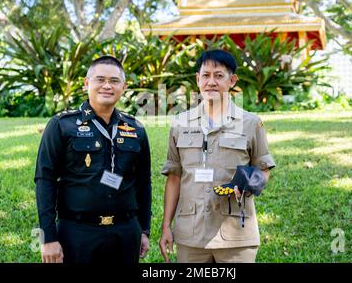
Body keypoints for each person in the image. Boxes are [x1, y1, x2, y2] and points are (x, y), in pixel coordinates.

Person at [159, 49, 276, 263]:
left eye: (219, 75)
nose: (211, 81)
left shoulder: (251, 123)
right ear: (197, 79)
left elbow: (264, 169)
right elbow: (174, 177)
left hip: (236, 237)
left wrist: (249, 183)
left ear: (232, 80)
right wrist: (166, 226)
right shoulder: (180, 123)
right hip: (190, 236)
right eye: (206, 75)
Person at [34, 55, 151, 263]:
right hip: (77, 233)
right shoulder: (62, 125)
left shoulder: (135, 128)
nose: (107, 85)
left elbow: (143, 183)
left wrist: (144, 229)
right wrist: (48, 237)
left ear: (123, 87)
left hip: (125, 233)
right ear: (87, 83)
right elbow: (45, 180)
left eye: (114, 81)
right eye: (100, 79)